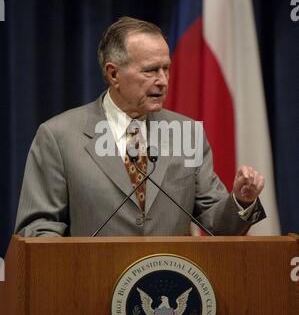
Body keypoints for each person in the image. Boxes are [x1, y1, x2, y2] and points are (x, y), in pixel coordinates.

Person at [15, 16, 265, 237]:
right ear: (113, 74)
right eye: (150, 71)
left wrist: (241, 201)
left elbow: (216, 226)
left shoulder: (186, 134)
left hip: (170, 284)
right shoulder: (59, 137)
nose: (163, 81)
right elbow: (38, 229)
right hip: (90, 285)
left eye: (166, 68)